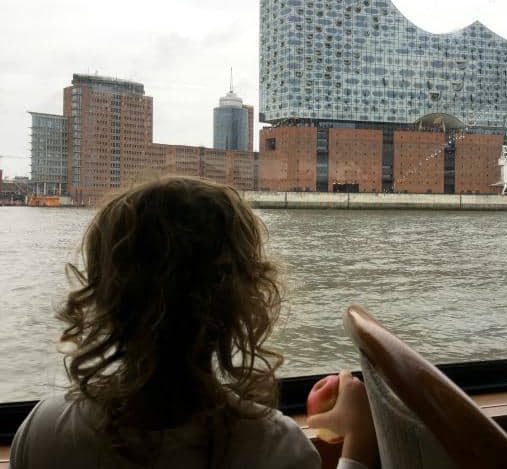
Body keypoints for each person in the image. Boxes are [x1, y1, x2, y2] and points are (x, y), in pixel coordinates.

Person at [10, 177, 378, 469]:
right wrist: (360, 444)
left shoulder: (44, 430)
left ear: (103, 297)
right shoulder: (274, 445)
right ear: (248, 302)